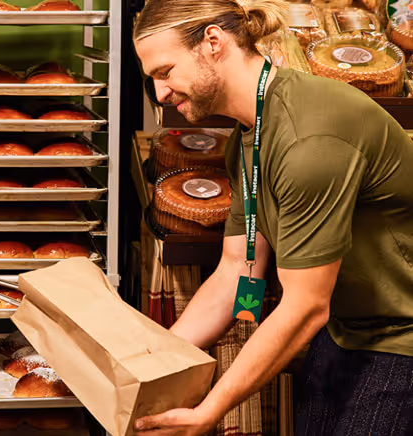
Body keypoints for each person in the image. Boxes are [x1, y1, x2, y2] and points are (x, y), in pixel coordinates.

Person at [133, 0, 413, 435]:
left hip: (401, 339)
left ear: (213, 42)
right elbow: (238, 271)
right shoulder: (248, 136)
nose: (161, 94)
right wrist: (149, 362)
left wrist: (212, 408)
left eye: (165, 72)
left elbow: (304, 307)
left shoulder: (309, 138)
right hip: (344, 330)